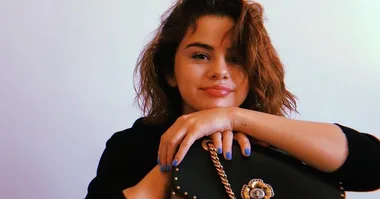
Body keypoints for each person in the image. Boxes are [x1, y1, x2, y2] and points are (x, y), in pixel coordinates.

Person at [85, 0, 380, 198]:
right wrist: (177, 169)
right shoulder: (131, 146)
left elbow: (372, 167)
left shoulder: (279, 141)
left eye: (237, 58)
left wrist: (234, 117)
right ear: (169, 72)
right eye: (200, 56)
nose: (220, 72)